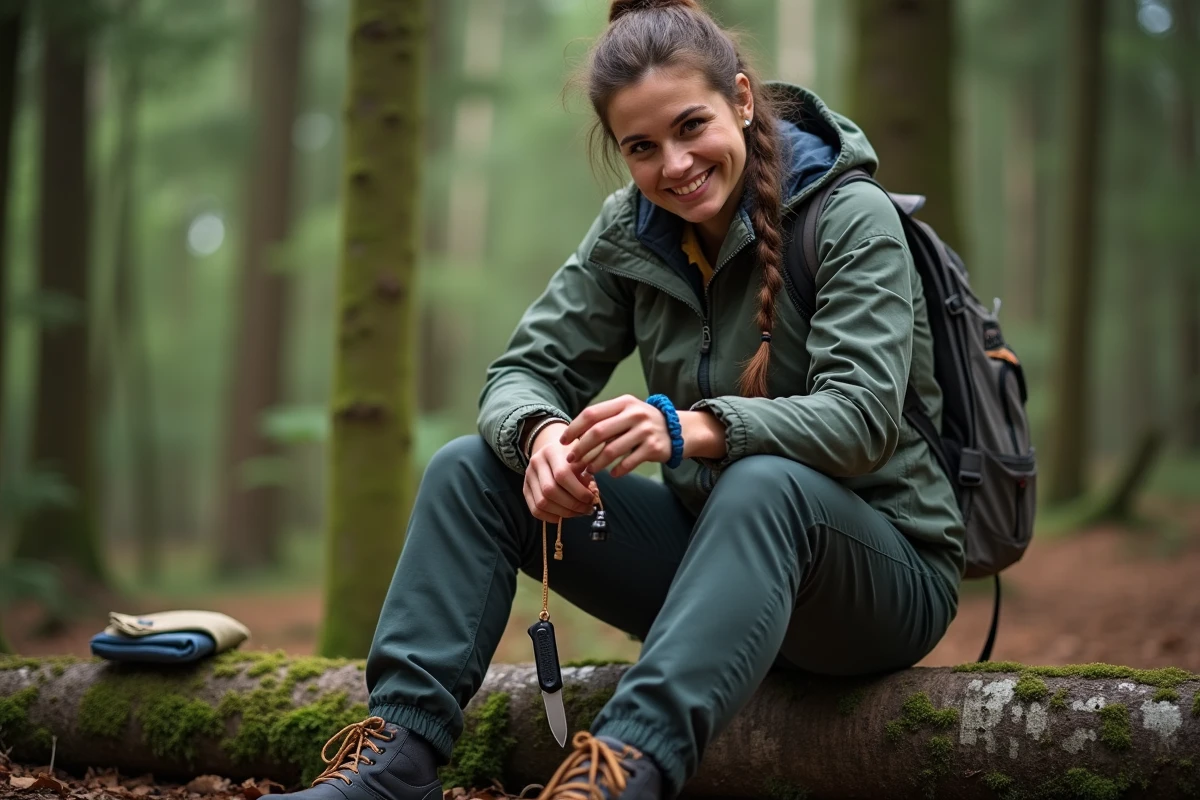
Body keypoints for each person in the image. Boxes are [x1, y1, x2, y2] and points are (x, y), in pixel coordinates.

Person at [290, 0, 964, 798]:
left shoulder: (850, 216)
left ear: (742, 101)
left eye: (691, 128)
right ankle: (395, 759)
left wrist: (691, 429)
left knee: (765, 483)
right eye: (642, 148)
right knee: (473, 469)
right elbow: (519, 374)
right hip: (717, 572)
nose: (673, 165)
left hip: (878, 580)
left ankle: (620, 773)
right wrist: (538, 437)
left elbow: (860, 422)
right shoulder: (631, 236)